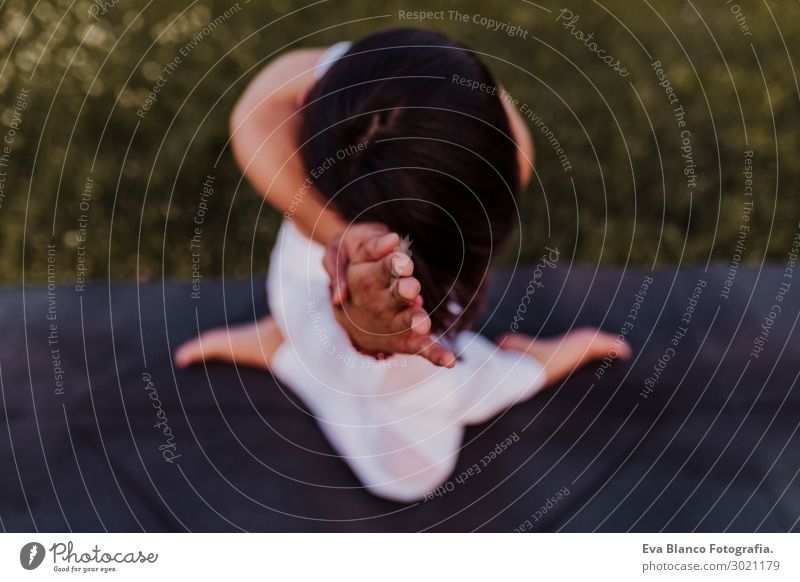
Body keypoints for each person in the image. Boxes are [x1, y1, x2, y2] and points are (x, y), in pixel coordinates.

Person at [174, 28, 630, 502]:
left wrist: (377, 336)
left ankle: (527, 367)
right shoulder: (419, 132)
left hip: (415, 356)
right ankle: (286, 340)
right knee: (300, 315)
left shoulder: (418, 330)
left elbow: (261, 108)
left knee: (409, 476)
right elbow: (255, 114)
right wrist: (337, 234)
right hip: (307, 278)